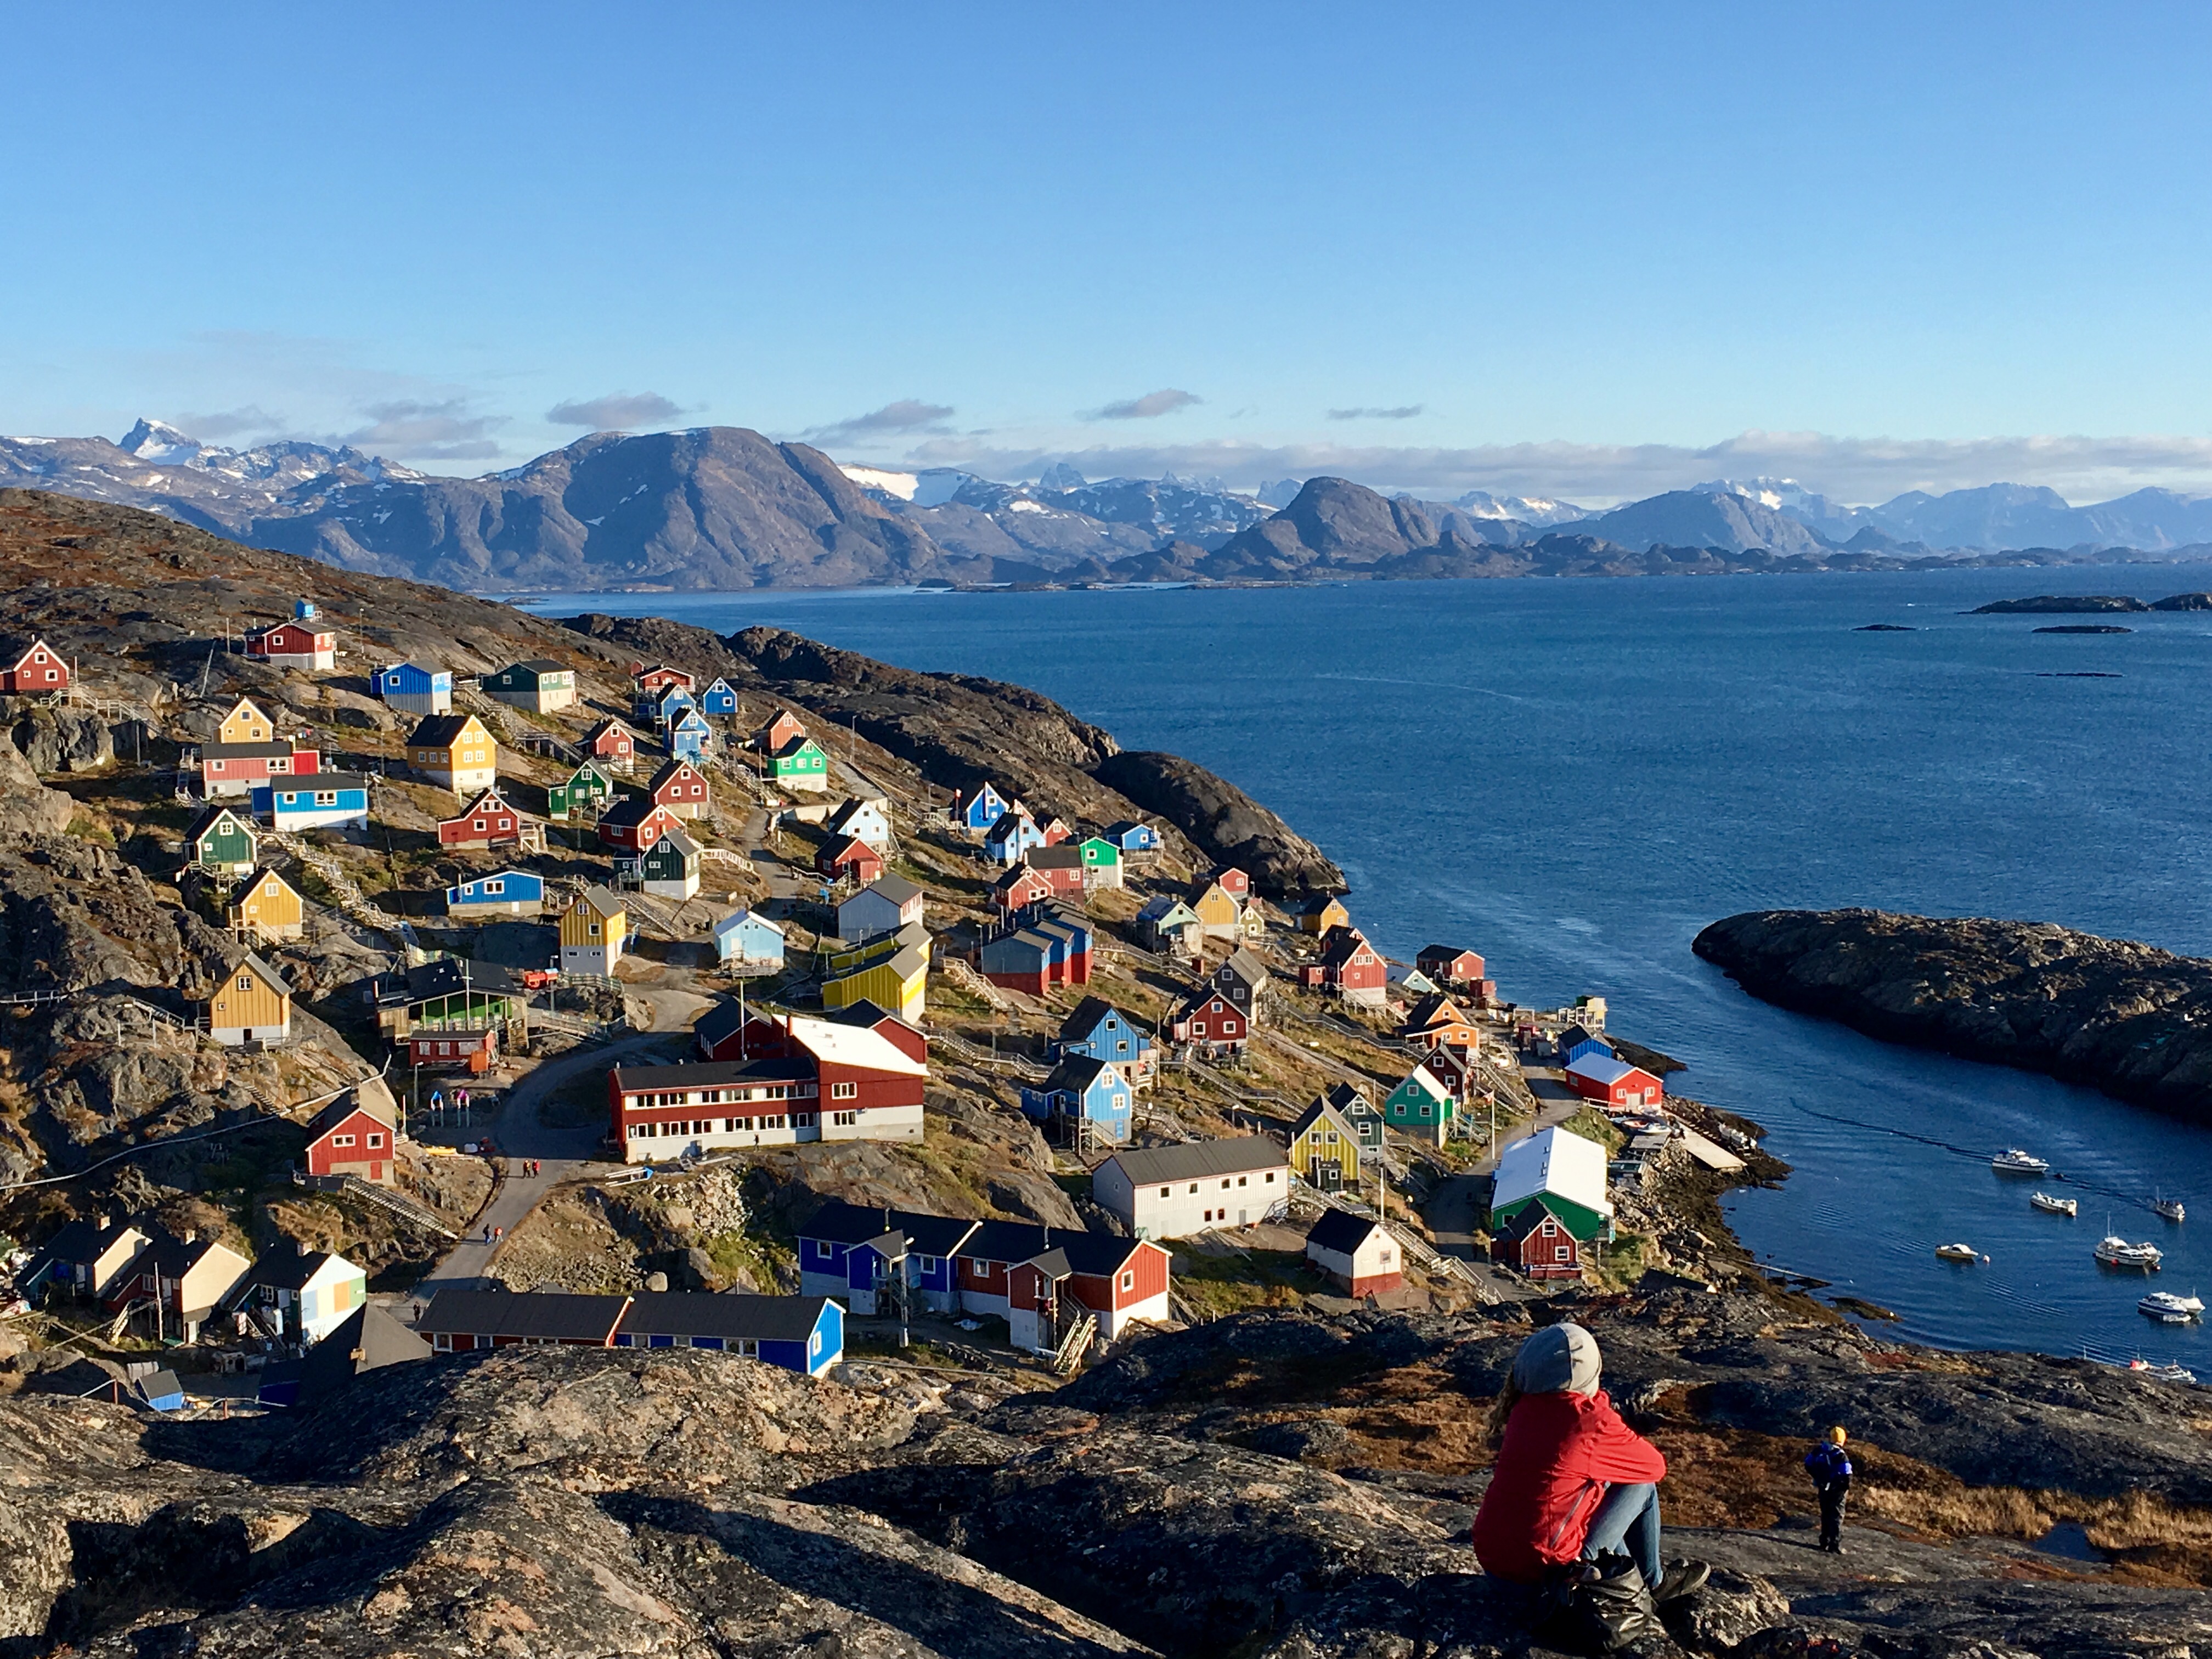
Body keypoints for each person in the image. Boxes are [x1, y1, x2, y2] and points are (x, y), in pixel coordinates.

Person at [1471, 1323, 1709, 1604]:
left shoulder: (1523, 1410)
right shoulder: (1587, 1421)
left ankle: (1632, 1577)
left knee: (1598, 1483)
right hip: (1544, 1577)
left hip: (1496, 1567)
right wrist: (1600, 1408)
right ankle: (1653, 1582)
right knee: (1641, 1484)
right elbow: (1655, 1466)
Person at [1805, 1426, 1852, 1554]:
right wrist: (1842, 1488)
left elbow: (1808, 1464)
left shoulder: (1820, 1450)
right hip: (1837, 1491)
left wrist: (1819, 1478)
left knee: (1825, 1514)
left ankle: (1824, 1542)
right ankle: (1835, 1545)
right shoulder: (1841, 1456)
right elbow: (1847, 1476)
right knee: (1837, 1516)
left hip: (1823, 1487)